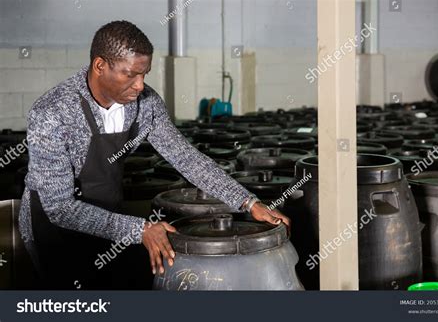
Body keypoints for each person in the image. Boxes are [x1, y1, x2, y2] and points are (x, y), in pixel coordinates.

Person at [18, 20, 290, 290]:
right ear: (100, 66)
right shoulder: (52, 113)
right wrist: (139, 230)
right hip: (53, 229)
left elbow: (187, 159)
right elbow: (59, 208)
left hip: (110, 215)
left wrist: (247, 202)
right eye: (130, 74)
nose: (139, 85)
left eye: (144, 74)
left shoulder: (145, 104)